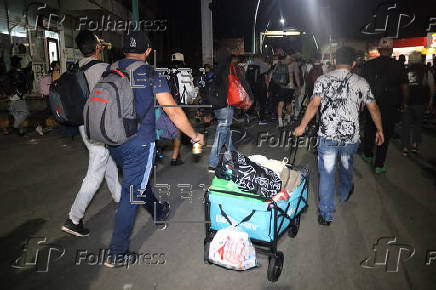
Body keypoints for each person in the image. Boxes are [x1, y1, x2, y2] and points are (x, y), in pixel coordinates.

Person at [104, 31, 204, 267]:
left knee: (137, 181)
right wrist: (195, 135)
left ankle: (158, 211)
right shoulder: (150, 73)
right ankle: (117, 252)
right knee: (132, 192)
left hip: (112, 140)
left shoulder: (111, 69)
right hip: (139, 142)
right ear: (148, 51)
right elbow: (173, 111)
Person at [293, 46, 384, 225]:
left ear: (334, 61)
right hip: (350, 138)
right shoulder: (362, 82)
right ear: (354, 63)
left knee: (326, 174)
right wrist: (380, 130)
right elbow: (373, 107)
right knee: (346, 165)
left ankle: (326, 215)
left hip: (328, 136)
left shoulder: (322, 80)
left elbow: (313, 105)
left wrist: (302, 126)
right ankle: (344, 193)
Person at [61, 30, 122, 237]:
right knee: (95, 172)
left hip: (82, 126)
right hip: (98, 127)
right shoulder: (104, 69)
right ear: (97, 47)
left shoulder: (76, 67)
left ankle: (119, 197)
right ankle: (74, 218)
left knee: (107, 159)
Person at [361, 38, 408, 174]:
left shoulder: (368, 65)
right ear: (392, 50)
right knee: (385, 133)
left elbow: (362, 84)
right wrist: (405, 102)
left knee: (370, 128)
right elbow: (405, 87)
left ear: (379, 50)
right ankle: (379, 164)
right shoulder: (399, 66)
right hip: (390, 105)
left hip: (371, 102)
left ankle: (368, 154)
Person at [207, 48, 237, 172]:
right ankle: (213, 163)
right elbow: (233, 87)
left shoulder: (214, 70)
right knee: (220, 134)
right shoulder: (228, 70)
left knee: (225, 131)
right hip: (226, 105)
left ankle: (233, 155)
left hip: (216, 107)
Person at [401, 52, 435, 155]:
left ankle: (406, 147)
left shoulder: (406, 71)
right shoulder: (426, 71)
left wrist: (404, 101)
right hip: (421, 102)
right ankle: (415, 144)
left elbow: (404, 87)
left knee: (406, 124)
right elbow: (432, 86)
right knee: (418, 124)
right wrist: (431, 99)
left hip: (408, 101)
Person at [167, 52, 197, 166]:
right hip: (181, 105)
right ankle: (175, 158)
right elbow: (190, 92)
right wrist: (193, 96)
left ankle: (177, 153)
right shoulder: (185, 73)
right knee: (178, 129)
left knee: (174, 128)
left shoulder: (167, 72)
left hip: (168, 104)